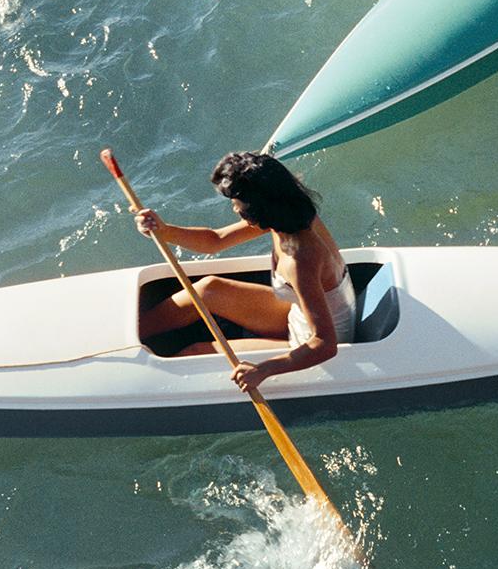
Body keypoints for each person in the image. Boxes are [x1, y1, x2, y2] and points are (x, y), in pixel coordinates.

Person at [134, 151, 355, 393]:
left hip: (310, 338)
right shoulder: (290, 215)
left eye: (239, 208)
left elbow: (325, 344)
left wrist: (263, 370)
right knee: (208, 289)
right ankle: (135, 332)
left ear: (260, 210)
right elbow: (215, 241)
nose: (234, 210)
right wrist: (164, 231)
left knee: (195, 353)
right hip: (299, 312)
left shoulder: (299, 260)